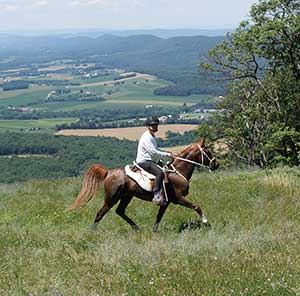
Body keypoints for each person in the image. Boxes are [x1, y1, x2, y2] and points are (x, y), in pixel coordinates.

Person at [136, 116, 173, 206]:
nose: (155, 126)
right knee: (159, 173)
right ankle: (156, 194)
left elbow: (156, 150)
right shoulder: (147, 137)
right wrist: (167, 154)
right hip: (144, 161)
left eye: (156, 125)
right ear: (148, 126)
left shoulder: (152, 136)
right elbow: (153, 152)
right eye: (153, 125)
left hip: (151, 160)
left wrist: (166, 154)